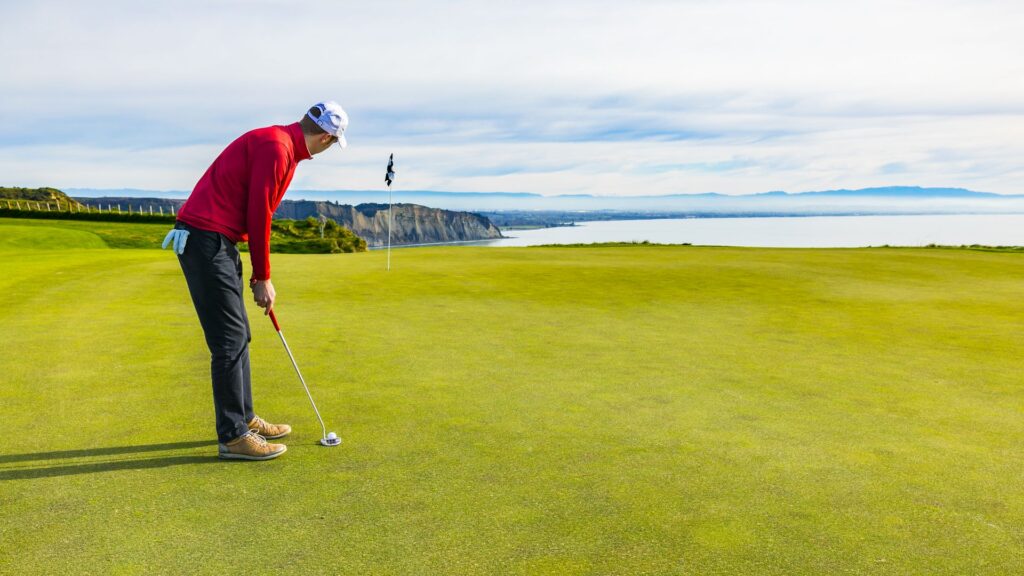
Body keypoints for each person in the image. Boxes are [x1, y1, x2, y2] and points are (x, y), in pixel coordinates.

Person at [162, 101, 349, 460]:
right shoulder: (277, 149)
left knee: (239, 334)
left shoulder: (283, 146)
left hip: (217, 240)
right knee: (229, 340)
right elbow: (259, 213)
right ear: (327, 137)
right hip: (205, 240)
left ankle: (244, 418)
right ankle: (233, 437)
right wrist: (262, 276)